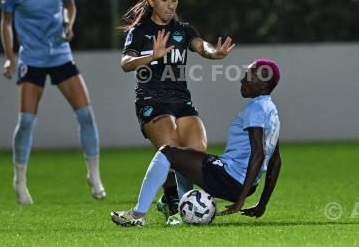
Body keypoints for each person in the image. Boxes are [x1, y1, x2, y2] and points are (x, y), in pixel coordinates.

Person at [111, 59, 282, 226]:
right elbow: (275, 161)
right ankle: (178, 209)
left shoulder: (256, 109)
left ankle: (137, 215)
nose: (242, 79)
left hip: (230, 178)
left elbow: (258, 154)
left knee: (167, 152)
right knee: (183, 155)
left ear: (263, 83)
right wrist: (262, 204)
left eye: (248, 75)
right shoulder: (271, 111)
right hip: (243, 183)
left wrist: (240, 200)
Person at [120, 0, 235, 223]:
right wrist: (152, 55)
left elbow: (201, 46)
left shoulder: (183, 30)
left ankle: (177, 205)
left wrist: (216, 53)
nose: (170, 5)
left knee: (195, 154)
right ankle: (164, 209)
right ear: (151, 1)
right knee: (173, 152)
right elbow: (126, 64)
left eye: (174, 0)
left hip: (181, 100)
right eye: (164, 0)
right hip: (151, 99)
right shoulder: (139, 32)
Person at [0, 0, 105, 204]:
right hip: (31, 59)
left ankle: (94, 175)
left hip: (59, 55)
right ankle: (20, 180)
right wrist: (10, 58)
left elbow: (70, 5)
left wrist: (69, 24)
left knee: (86, 115)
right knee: (25, 122)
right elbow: (6, 23)